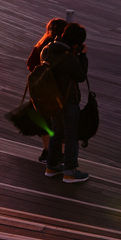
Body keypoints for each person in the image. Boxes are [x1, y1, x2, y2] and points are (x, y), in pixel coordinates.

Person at [41, 22, 90, 184]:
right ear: (76, 43)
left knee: (56, 132)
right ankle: (69, 172)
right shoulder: (69, 57)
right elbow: (81, 76)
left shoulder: (47, 50)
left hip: (52, 98)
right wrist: (82, 56)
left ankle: (52, 166)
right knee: (71, 136)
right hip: (68, 100)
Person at [27, 18, 67, 163]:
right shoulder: (65, 48)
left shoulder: (41, 45)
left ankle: (46, 150)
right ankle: (60, 154)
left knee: (45, 121)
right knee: (61, 120)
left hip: (41, 89)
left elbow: (30, 64)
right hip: (58, 90)